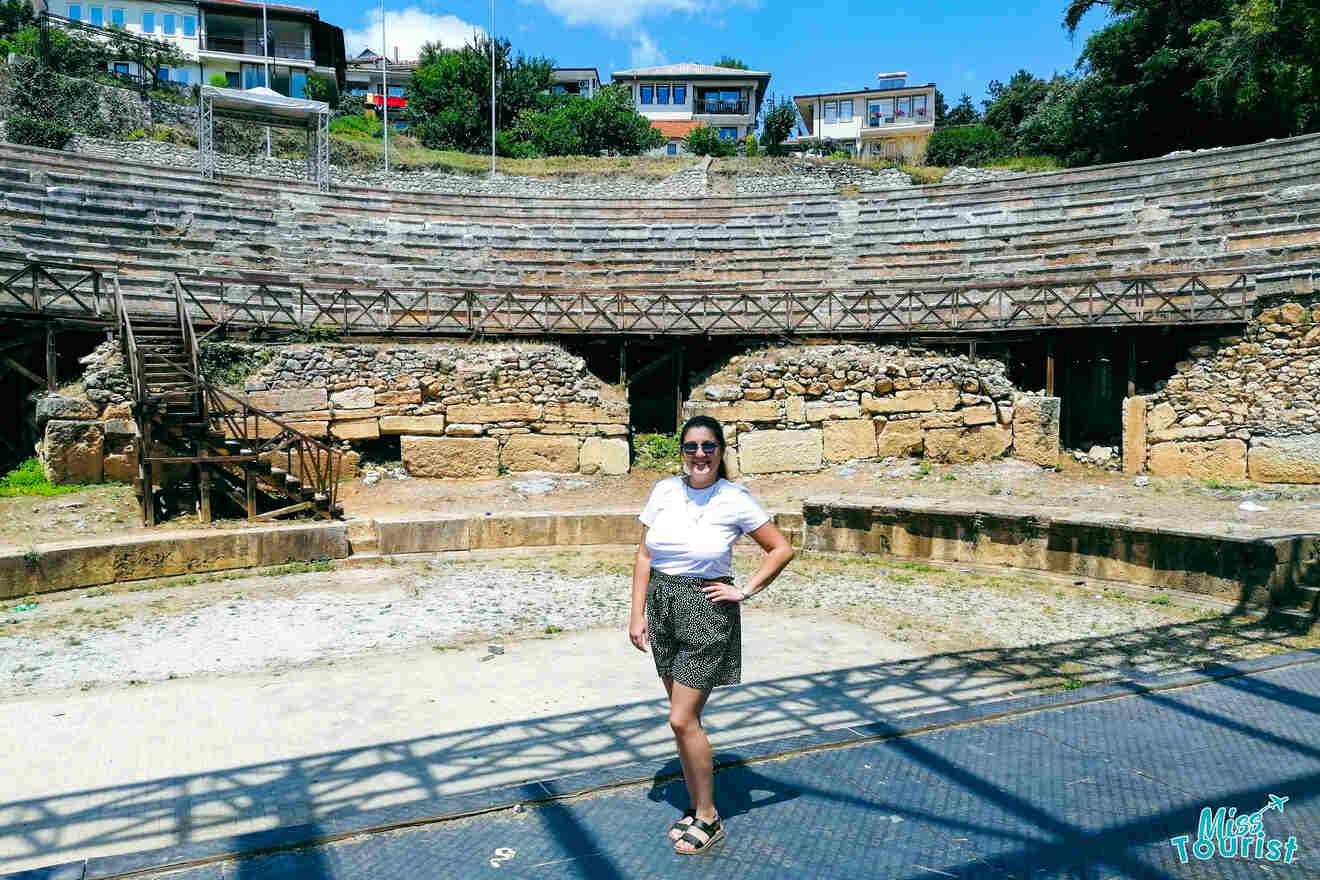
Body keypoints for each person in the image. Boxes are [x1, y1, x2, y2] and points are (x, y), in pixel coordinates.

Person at [628, 415, 795, 854]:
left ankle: (708, 816)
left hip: (706, 609)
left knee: (681, 719)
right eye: (691, 447)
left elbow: (781, 548)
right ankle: (698, 800)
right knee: (686, 724)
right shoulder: (665, 490)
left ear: (721, 451)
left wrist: (746, 590)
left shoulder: (735, 499)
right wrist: (636, 612)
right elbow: (644, 554)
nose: (699, 455)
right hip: (662, 604)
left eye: (708, 447)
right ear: (681, 452)